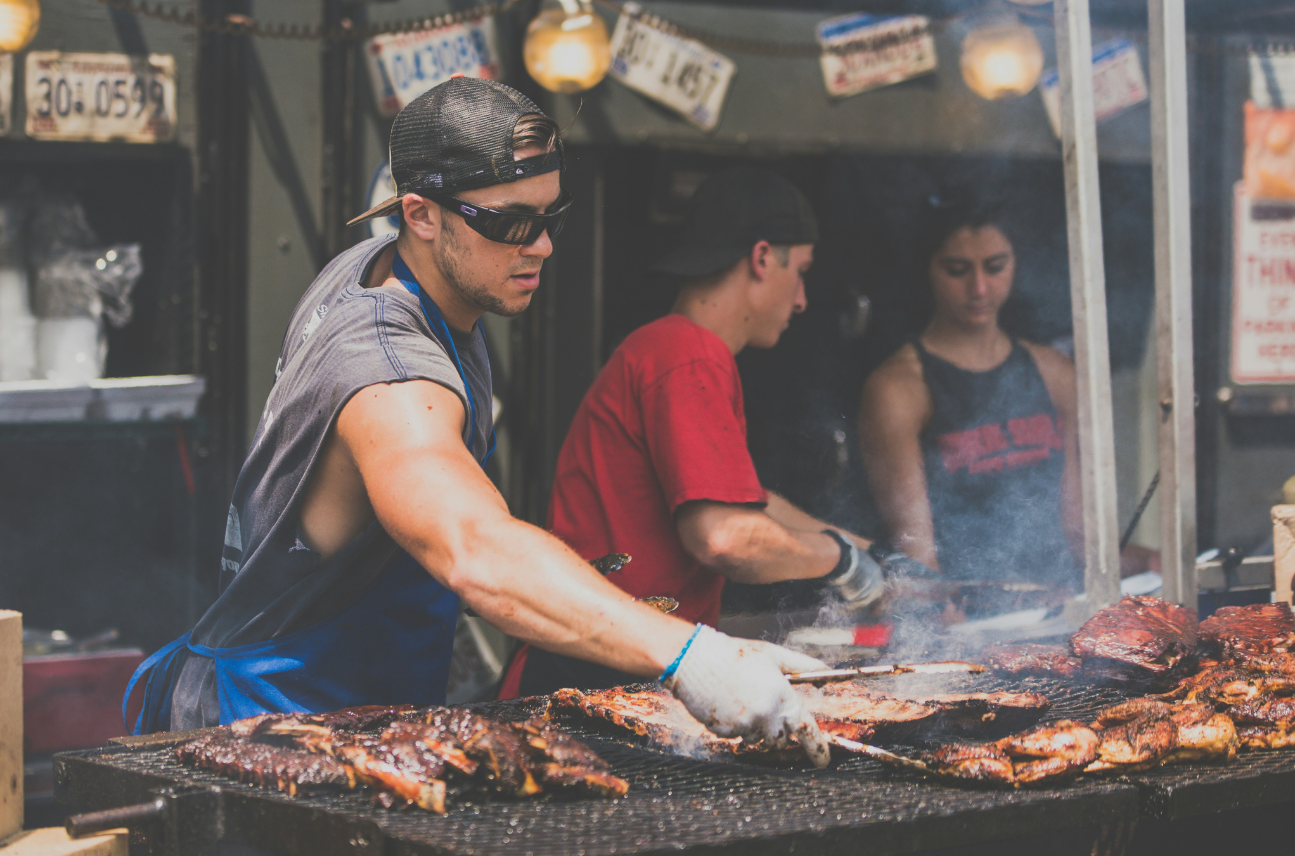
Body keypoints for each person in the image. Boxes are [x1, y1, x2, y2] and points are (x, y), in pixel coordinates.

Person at [125, 79, 835, 766]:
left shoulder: (391, 267)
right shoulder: (390, 372)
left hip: (364, 714)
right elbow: (473, 547)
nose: (542, 247)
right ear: (421, 213)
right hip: (273, 722)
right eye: (511, 224)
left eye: (550, 218)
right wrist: (691, 654)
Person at [503, 167, 907, 698]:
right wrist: (844, 564)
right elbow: (726, 538)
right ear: (762, 258)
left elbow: (750, 505)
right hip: (596, 679)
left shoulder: (670, 348)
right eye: (801, 271)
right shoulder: (687, 354)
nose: (803, 298)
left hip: (608, 669)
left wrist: (876, 552)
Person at [859, 198, 1148, 588]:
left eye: (995, 267)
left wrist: (1152, 560)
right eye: (957, 270)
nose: (979, 287)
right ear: (928, 269)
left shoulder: (1056, 374)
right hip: (966, 619)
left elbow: (1077, 534)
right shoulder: (899, 389)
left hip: (1057, 611)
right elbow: (919, 564)